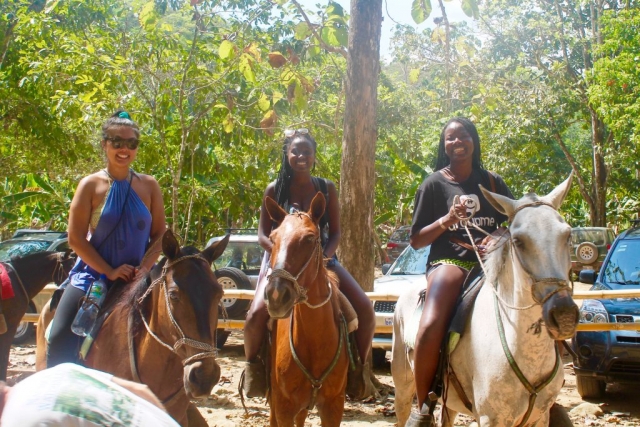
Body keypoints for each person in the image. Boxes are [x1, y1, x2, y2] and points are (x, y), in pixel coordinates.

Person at [242, 128, 376, 400]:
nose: (301, 156)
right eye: (295, 151)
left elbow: (336, 232)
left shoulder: (326, 188)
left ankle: (357, 374)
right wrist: (280, 256)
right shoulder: (274, 189)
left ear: (314, 156)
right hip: (280, 262)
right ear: (287, 154)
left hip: (320, 258)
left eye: (306, 152)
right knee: (255, 315)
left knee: (363, 308)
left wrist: (323, 258)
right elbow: (261, 235)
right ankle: (254, 371)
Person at [407, 117, 513, 426]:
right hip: (451, 263)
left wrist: (498, 236)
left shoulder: (493, 182)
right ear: (444, 145)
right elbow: (416, 240)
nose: (457, 142)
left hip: (495, 262)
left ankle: (547, 388)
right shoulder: (433, 184)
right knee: (430, 323)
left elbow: (513, 224)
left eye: (463, 136)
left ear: (474, 140)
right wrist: (447, 219)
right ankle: (423, 402)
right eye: (450, 138)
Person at [47, 110, 166, 367]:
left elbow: (159, 236)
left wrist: (144, 269)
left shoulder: (150, 186)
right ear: (104, 144)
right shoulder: (90, 185)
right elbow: (76, 239)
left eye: (131, 143)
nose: (124, 149)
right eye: (117, 142)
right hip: (94, 276)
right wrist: (110, 271)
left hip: (139, 276)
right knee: (58, 337)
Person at [0, 363, 179, 426]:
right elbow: (142, 390)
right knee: (60, 331)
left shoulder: (15, 422)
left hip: (116, 281)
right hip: (88, 281)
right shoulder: (61, 369)